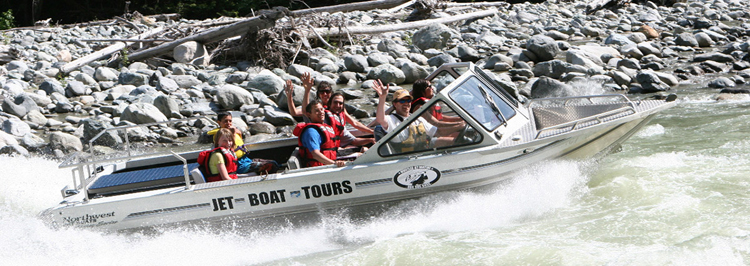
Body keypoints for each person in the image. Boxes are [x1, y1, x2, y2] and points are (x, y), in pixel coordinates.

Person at [374, 81, 464, 151]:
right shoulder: (391, 120)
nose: (406, 103)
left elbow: (438, 132)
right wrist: (382, 98)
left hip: (422, 148)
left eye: (408, 101)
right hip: (406, 156)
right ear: (395, 104)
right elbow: (380, 119)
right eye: (402, 101)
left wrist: (460, 126)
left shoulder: (417, 119)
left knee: (460, 141)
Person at [292, 100, 347, 167]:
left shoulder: (324, 127)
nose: (321, 112)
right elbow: (315, 154)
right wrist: (334, 163)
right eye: (317, 111)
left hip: (328, 164)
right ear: (309, 114)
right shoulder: (311, 132)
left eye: (321, 109)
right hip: (319, 169)